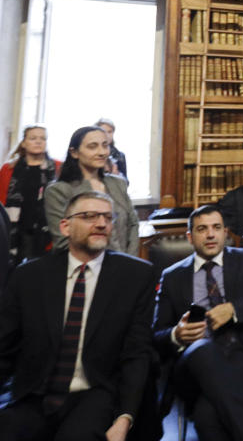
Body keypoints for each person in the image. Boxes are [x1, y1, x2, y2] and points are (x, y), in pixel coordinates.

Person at [0, 191, 155, 441]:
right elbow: (4, 346)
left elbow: (137, 353)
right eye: (89, 216)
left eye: (107, 217)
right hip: (35, 392)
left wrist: (125, 417)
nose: (102, 223)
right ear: (65, 226)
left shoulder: (136, 276)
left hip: (96, 391)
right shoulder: (29, 276)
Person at [152, 205, 243, 441]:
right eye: (202, 229)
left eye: (216, 228)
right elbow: (154, 335)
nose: (211, 235)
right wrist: (177, 333)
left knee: (207, 415)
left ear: (226, 232)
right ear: (190, 237)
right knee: (203, 350)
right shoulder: (172, 276)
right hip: (192, 363)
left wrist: (234, 309)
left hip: (242, 356)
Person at [45, 126, 139, 256]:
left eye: (105, 145)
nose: (102, 152)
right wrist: (106, 262)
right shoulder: (59, 190)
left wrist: (129, 260)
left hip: (125, 265)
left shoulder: (118, 183)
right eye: (92, 146)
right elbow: (62, 241)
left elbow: (133, 224)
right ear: (74, 152)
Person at [0, 124, 61, 264]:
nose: (39, 142)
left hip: (47, 231)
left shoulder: (58, 167)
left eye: (43, 138)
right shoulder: (8, 169)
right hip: (17, 231)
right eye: (33, 138)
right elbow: (2, 202)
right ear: (24, 143)